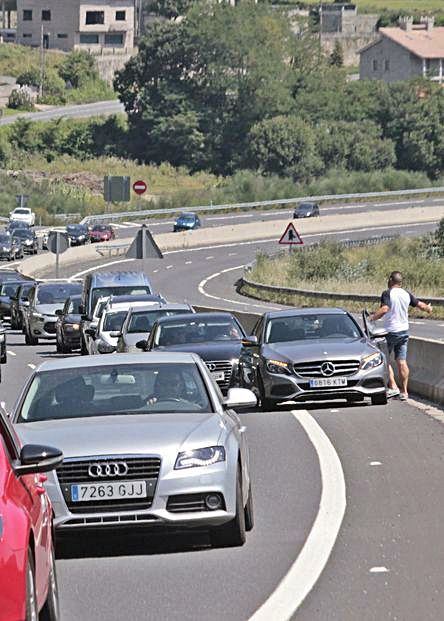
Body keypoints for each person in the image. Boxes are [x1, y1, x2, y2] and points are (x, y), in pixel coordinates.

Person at [368, 271, 432, 401]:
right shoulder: (406, 293)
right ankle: (404, 392)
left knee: (384, 359)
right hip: (403, 332)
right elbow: (420, 305)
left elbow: (385, 309)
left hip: (390, 332)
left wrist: (372, 318)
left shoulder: (387, 293)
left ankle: (393, 386)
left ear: (391, 280)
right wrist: (428, 309)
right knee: (402, 361)